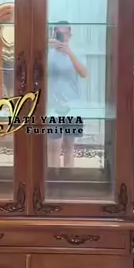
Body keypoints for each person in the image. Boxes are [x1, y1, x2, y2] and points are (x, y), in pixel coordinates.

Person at [47, 21, 87, 168]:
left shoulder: (77, 53)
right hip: (53, 107)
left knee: (70, 147)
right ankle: (53, 179)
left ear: (70, 35)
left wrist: (69, 53)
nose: (61, 37)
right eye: (58, 34)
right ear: (54, 34)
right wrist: (45, 47)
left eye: (64, 34)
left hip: (73, 106)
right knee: (53, 148)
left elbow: (84, 73)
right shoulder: (48, 54)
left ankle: (69, 178)